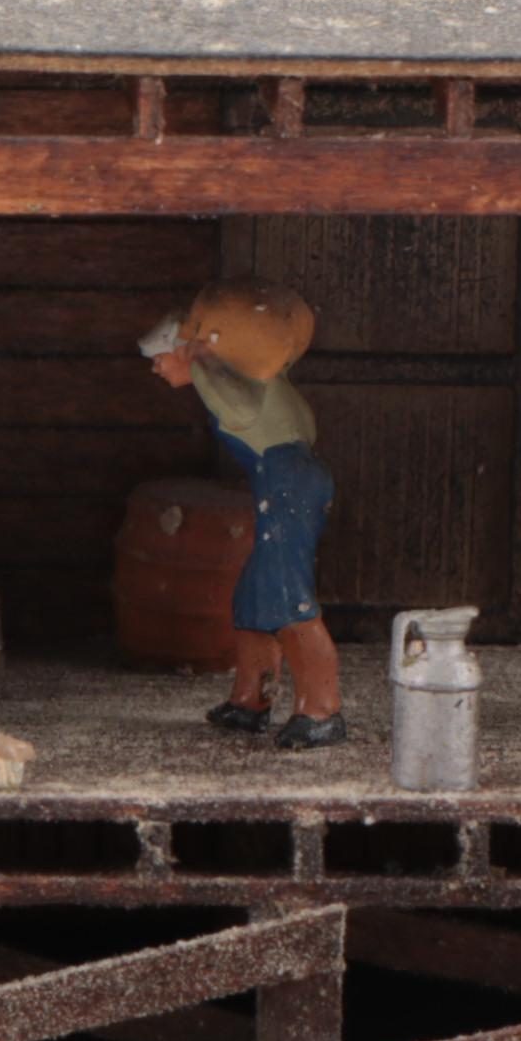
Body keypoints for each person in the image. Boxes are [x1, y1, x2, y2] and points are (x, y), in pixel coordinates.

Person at [143, 282, 342, 747]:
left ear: (190, 350)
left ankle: (322, 710)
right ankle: (250, 701)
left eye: (161, 354)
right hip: (283, 484)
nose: (156, 366)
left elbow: (239, 406)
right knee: (254, 595)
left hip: (287, 487)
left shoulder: (226, 383)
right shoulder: (258, 383)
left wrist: (199, 356)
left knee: (289, 598)